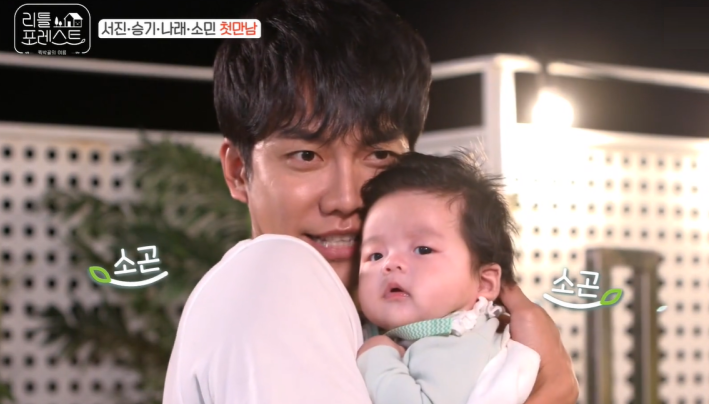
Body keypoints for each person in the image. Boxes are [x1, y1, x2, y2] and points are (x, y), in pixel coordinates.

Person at [163, 0, 578, 403]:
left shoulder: (384, 328)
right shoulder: (278, 269)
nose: (346, 199)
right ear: (239, 171)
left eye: (379, 155)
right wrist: (552, 392)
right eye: (306, 156)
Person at [355, 151, 539, 404]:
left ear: (484, 283)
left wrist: (377, 357)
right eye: (375, 255)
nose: (390, 263)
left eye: (423, 250)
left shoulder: (458, 343)